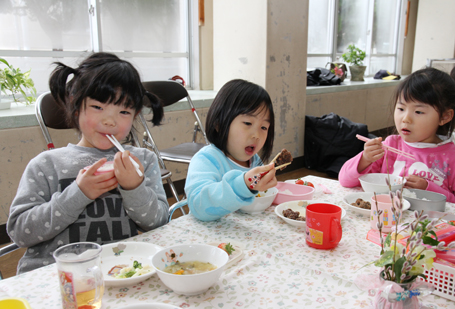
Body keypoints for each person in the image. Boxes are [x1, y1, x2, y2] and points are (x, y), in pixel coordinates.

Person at [7, 52, 169, 274]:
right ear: (75, 104)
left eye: (123, 111)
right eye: (97, 107)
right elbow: (20, 232)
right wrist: (77, 194)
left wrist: (134, 188)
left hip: (119, 273)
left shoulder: (142, 161)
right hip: (55, 278)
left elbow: (158, 224)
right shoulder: (46, 165)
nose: (109, 120)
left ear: (135, 115)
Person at [339, 67, 455, 208]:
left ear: (445, 117)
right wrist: (365, 159)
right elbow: (345, 180)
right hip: (387, 224)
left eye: (419, 111)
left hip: (431, 228)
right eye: (401, 109)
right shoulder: (390, 146)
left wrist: (428, 188)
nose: (406, 119)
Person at [185, 79, 277, 221]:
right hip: (209, 236)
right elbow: (199, 206)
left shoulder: (254, 161)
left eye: (263, 127)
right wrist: (244, 184)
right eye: (247, 123)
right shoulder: (206, 159)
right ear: (219, 124)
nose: (256, 135)